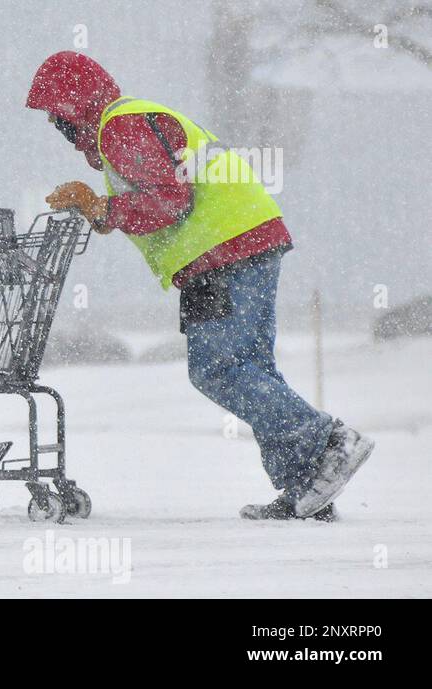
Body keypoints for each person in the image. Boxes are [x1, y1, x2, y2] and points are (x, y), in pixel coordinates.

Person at [25, 51, 374, 520]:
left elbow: (170, 199)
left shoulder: (119, 127)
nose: (58, 128)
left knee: (218, 369)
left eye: (58, 115)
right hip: (237, 243)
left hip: (223, 250)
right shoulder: (128, 122)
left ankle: (328, 441)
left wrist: (104, 209)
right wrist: (104, 210)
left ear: (78, 104)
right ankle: (307, 488)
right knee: (250, 368)